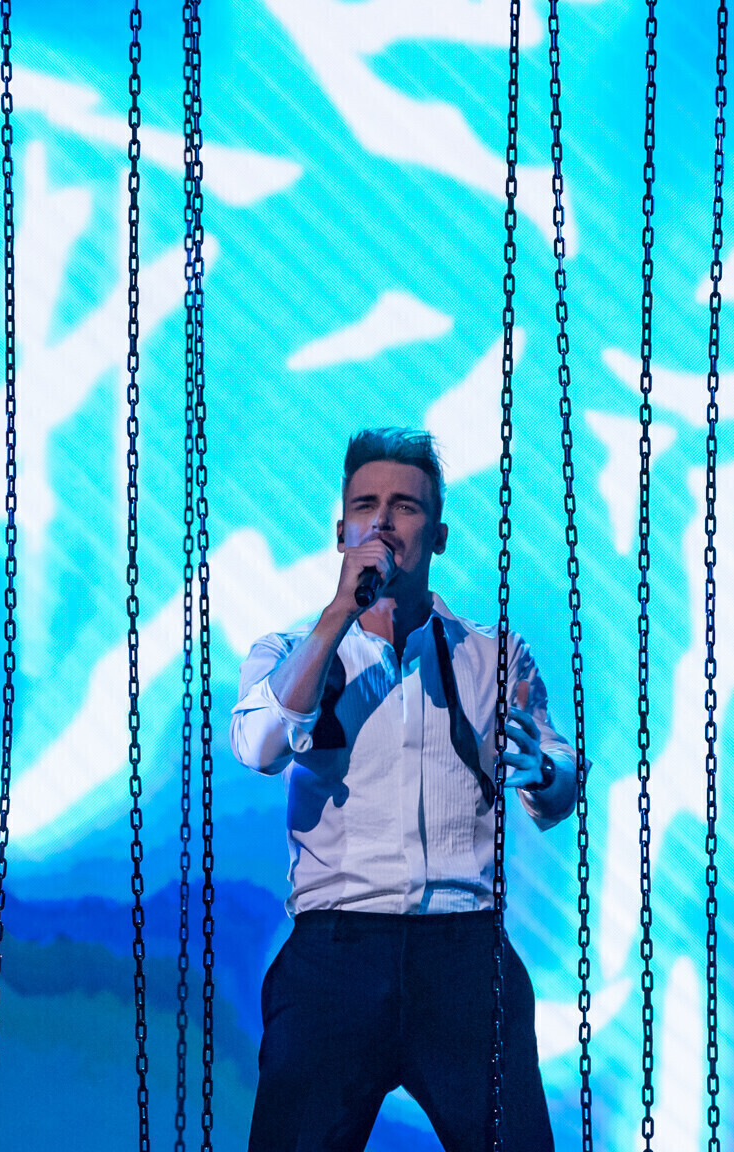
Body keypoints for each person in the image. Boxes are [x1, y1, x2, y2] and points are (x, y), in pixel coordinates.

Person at [229, 427, 579, 1152]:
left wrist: (545, 773)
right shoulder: (289, 651)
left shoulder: (490, 655)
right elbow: (258, 746)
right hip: (336, 950)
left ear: (438, 535)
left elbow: (553, 774)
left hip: (462, 950)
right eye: (366, 506)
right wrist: (337, 616)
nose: (384, 523)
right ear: (342, 533)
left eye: (405, 507)